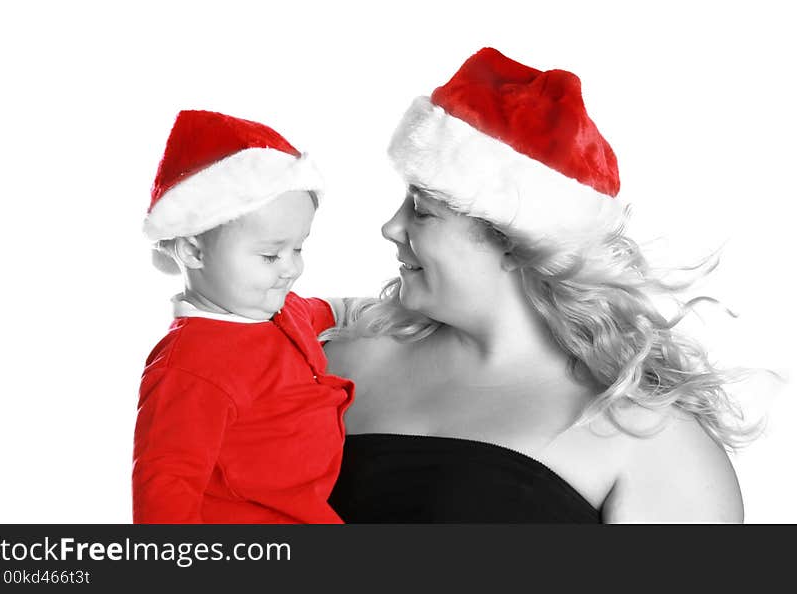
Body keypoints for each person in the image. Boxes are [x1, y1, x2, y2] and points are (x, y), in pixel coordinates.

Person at [325, 47, 753, 523]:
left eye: (423, 211)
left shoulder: (645, 437)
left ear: (513, 241)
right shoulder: (335, 365)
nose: (391, 227)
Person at [133, 110, 353, 523]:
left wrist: (395, 311)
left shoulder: (284, 310)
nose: (291, 268)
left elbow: (337, 311)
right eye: (270, 255)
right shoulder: (189, 367)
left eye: (298, 249)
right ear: (193, 252)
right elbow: (164, 491)